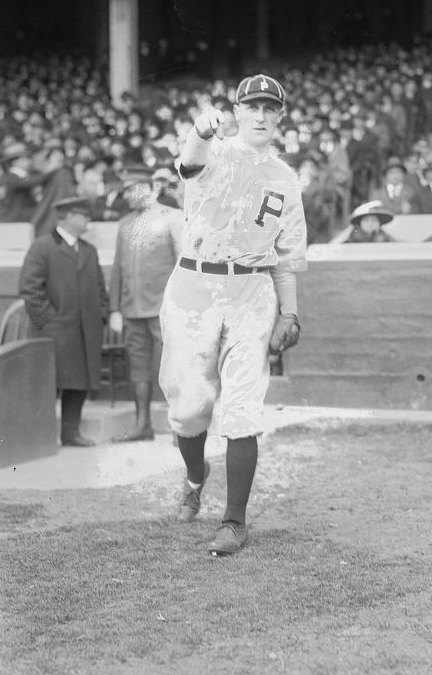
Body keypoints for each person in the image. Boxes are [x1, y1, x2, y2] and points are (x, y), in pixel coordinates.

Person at [160, 74, 307, 556]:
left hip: (252, 290)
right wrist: (201, 131)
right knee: (188, 409)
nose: (261, 115)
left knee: (242, 407)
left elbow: (287, 255)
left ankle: (234, 521)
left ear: (280, 117)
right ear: (238, 112)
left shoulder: (285, 178)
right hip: (194, 288)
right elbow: (188, 162)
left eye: (270, 108)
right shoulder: (214, 151)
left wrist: (291, 311)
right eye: (253, 107)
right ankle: (194, 476)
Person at [19, 196, 109, 447]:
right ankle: (39, 438)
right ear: (69, 217)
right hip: (53, 334)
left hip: (85, 333)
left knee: (78, 385)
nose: (88, 219)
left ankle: (70, 435)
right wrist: (51, 323)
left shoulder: (89, 251)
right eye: (84, 215)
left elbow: (101, 290)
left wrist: (100, 316)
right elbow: (30, 290)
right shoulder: (42, 247)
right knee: (48, 386)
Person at [109, 165, 182, 443]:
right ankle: (142, 425)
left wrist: (180, 307)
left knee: (174, 366)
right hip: (132, 309)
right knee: (137, 367)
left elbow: (183, 264)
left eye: (133, 189)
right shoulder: (125, 224)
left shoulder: (173, 218)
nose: (128, 195)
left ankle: (180, 426)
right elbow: (117, 269)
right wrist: (115, 308)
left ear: (152, 188)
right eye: (126, 190)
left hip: (164, 309)